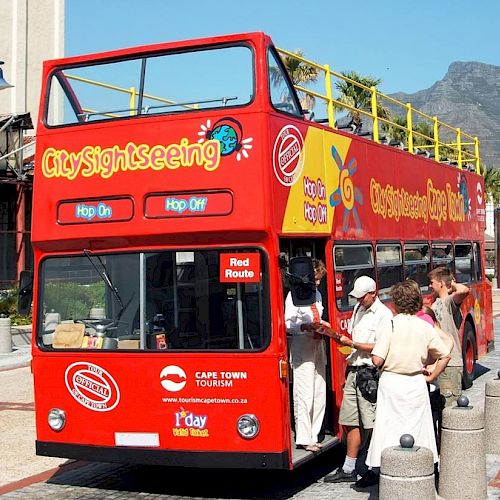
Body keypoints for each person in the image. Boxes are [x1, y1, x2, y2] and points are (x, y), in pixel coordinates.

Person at [366, 281, 451, 470]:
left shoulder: (390, 325)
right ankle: (417, 469)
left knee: (389, 430)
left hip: (391, 383)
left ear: (395, 303)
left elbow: (377, 360)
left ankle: (391, 470)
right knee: (417, 429)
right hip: (416, 383)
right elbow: (445, 354)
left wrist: (373, 354)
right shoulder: (424, 327)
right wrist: (432, 375)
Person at [323, 275, 392, 487]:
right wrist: (333, 334)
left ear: (374, 294)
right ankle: (349, 468)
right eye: (357, 297)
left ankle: (374, 468)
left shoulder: (383, 314)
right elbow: (352, 342)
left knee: (371, 422)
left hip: (370, 372)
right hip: (353, 370)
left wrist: (352, 343)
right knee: (350, 420)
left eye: (362, 297)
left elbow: (382, 346)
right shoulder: (357, 310)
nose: (358, 301)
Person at [285, 258, 330, 452]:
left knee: (319, 389)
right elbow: (288, 324)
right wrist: (305, 326)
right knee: (304, 391)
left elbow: (318, 315)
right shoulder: (293, 297)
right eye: (317, 278)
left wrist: (323, 325)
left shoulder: (317, 295)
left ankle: (315, 432)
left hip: (317, 343)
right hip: (302, 343)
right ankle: (303, 436)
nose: (319, 283)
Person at [428, 266, 470, 407]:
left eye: (432, 282)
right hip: (437, 363)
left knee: (450, 409)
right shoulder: (435, 304)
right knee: (438, 408)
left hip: (451, 364)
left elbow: (464, 290)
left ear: (440, 284)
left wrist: (450, 283)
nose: (430, 285)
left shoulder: (449, 302)